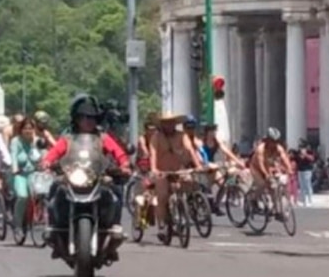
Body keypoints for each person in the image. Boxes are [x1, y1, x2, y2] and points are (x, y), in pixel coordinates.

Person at [40, 96, 130, 252]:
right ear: (77, 119)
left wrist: (124, 164)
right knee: (55, 188)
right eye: (84, 117)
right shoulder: (68, 139)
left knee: (115, 192)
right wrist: (47, 162)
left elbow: (118, 152)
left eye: (92, 117)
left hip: (97, 177)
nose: (88, 120)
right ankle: (53, 227)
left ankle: (115, 226)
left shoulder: (103, 138)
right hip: (73, 176)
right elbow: (54, 153)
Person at [148, 112, 203, 241]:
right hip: (162, 172)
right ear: (162, 124)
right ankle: (161, 225)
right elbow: (153, 154)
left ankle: (184, 211)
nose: (169, 125)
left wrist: (198, 165)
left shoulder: (182, 135)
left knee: (190, 183)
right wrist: (154, 169)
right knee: (162, 196)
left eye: (171, 122)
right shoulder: (156, 137)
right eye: (166, 122)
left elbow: (190, 150)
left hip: (178, 171)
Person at [200, 123, 245, 214]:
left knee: (224, 185)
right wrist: (207, 163)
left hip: (213, 168)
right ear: (207, 133)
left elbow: (227, 151)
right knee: (207, 190)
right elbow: (201, 156)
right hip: (204, 167)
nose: (213, 133)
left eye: (214, 131)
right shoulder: (202, 142)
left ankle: (217, 205)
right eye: (211, 131)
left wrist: (237, 161)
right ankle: (206, 206)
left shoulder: (217, 141)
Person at [250, 128, 293, 218]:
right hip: (256, 168)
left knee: (274, 187)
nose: (274, 143)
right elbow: (261, 163)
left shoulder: (278, 148)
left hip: (268, 167)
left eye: (276, 141)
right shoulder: (260, 149)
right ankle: (253, 200)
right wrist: (266, 174)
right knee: (262, 184)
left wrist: (289, 169)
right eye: (272, 141)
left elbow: (284, 158)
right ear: (268, 140)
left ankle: (277, 211)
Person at [10, 118, 42, 232]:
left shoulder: (37, 141)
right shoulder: (16, 141)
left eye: (30, 128)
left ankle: (35, 218)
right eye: (25, 128)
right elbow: (13, 156)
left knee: (39, 194)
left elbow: (41, 156)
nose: (28, 131)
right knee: (23, 197)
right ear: (21, 130)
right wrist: (15, 168)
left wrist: (34, 144)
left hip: (33, 173)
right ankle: (17, 223)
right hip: (20, 174)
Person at [295, 139, 316, 207]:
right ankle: (303, 200)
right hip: (300, 170)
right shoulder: (298, 152)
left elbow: (312, 159)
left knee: (308, 185)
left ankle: (310, 200)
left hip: (307, 170)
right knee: (302, 186)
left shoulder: (310, 151)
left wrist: (305, 154)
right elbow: (297, 159)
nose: (300, 147)